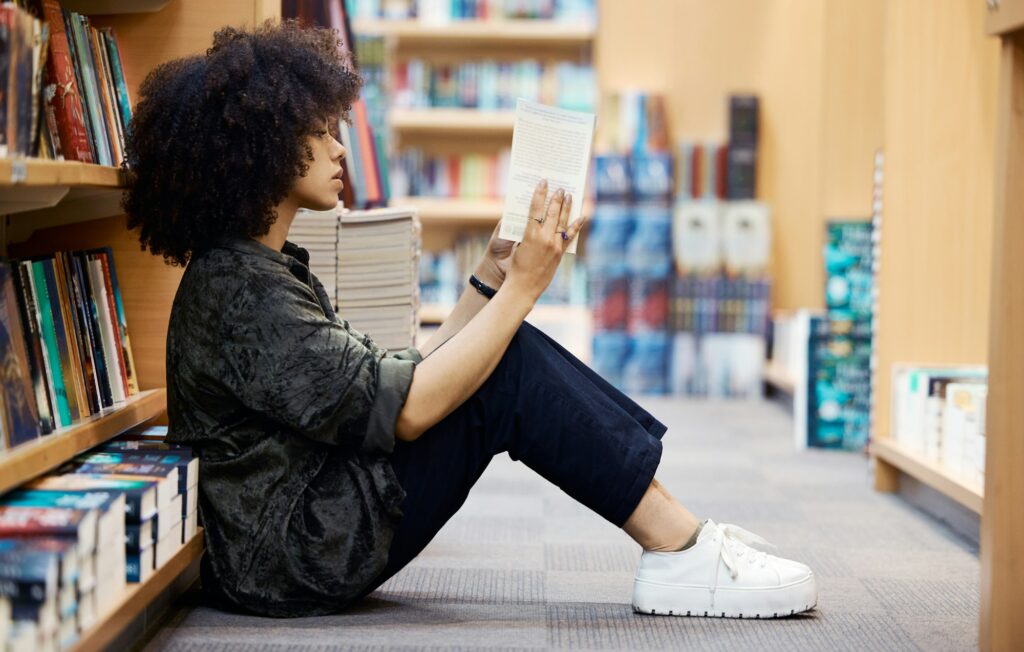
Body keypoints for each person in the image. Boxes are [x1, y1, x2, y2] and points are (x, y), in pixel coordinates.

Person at [123, 20, 817, 620]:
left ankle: (682, 536)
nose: (340, 151)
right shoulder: (244, 294)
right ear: (259, 151)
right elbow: (414, 412)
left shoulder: (253, 272)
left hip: (304, 521)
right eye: (318, 132)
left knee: (497, 357)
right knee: (506, 365)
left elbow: (399, 386)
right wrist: (524, 289)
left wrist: (491, 277)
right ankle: (680, 548)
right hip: (298, 554)